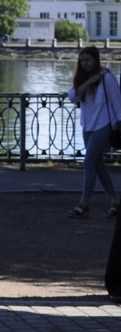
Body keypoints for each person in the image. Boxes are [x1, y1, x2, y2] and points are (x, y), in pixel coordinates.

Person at [66, 45, 121, 218]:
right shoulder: (83, 78)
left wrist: (118, 126)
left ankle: (84, 202)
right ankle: (114, 201)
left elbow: (117, 104)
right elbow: (73, 96)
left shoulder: (107, 78)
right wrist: (89, 81)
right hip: (87, 126)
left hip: (103, 126)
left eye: (88, 60)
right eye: (82, 61)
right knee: (97, 165)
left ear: (96, 60)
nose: (84, 64)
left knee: (89, 163)